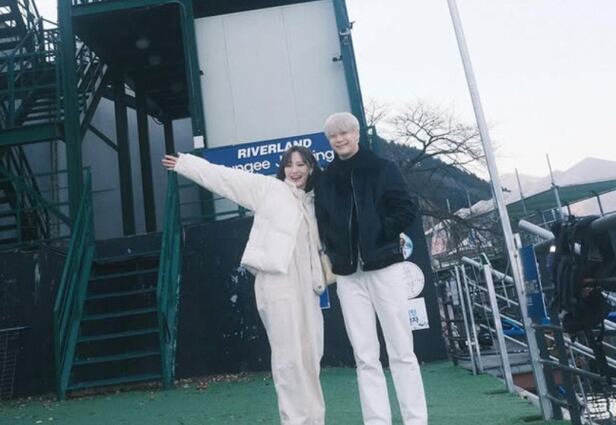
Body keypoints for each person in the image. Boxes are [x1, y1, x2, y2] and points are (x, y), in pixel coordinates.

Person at [162, 146, 327, 425]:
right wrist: (186, 164)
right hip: (277, 281)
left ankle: (315, 419)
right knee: (288, 358)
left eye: (301, 164)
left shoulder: (315, 201)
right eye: (289, 164)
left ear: (311, 167)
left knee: (311, 354)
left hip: (308, 285)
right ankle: (294, 421)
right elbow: (226, 179)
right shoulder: (269, 190)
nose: (295, 170)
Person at [314, 112, 428, 425]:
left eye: (344, 133)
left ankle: (416, 419)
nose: (339, 139)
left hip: (384, 267)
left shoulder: (383, 168)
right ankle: (377, 420)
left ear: (356, 133)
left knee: (401, 350)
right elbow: (323, 221)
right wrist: (335, 249)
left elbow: (406, 209)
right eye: (333, 136)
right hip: (348, 276)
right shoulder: (326, 178)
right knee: (364, 355)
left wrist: (381, 231)